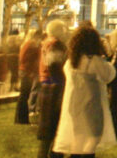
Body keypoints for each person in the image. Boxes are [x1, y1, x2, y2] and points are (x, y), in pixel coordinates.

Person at [53, 22, 117, 157]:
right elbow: (108, 76)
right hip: (91, 103)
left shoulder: (71, 62)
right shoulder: (94, 60)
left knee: (79, 136)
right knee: (94, 137)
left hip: (75, 103)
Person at [36, 19, 70, 158]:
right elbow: (54, 64)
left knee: (48, 130)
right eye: (64, 29)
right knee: (55, 128)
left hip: (47, 85)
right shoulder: (56, 44)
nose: (66, 32)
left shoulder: (47, 43)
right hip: (55, 87)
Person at [16, 29, 42, 125]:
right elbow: (24, 59)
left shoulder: (30, 44)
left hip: (27, 72)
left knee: (24, 95)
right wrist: (29, 71)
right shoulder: (30, 45)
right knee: (24, 95)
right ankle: (22, 119)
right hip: (27, 72)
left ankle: (21, 118)